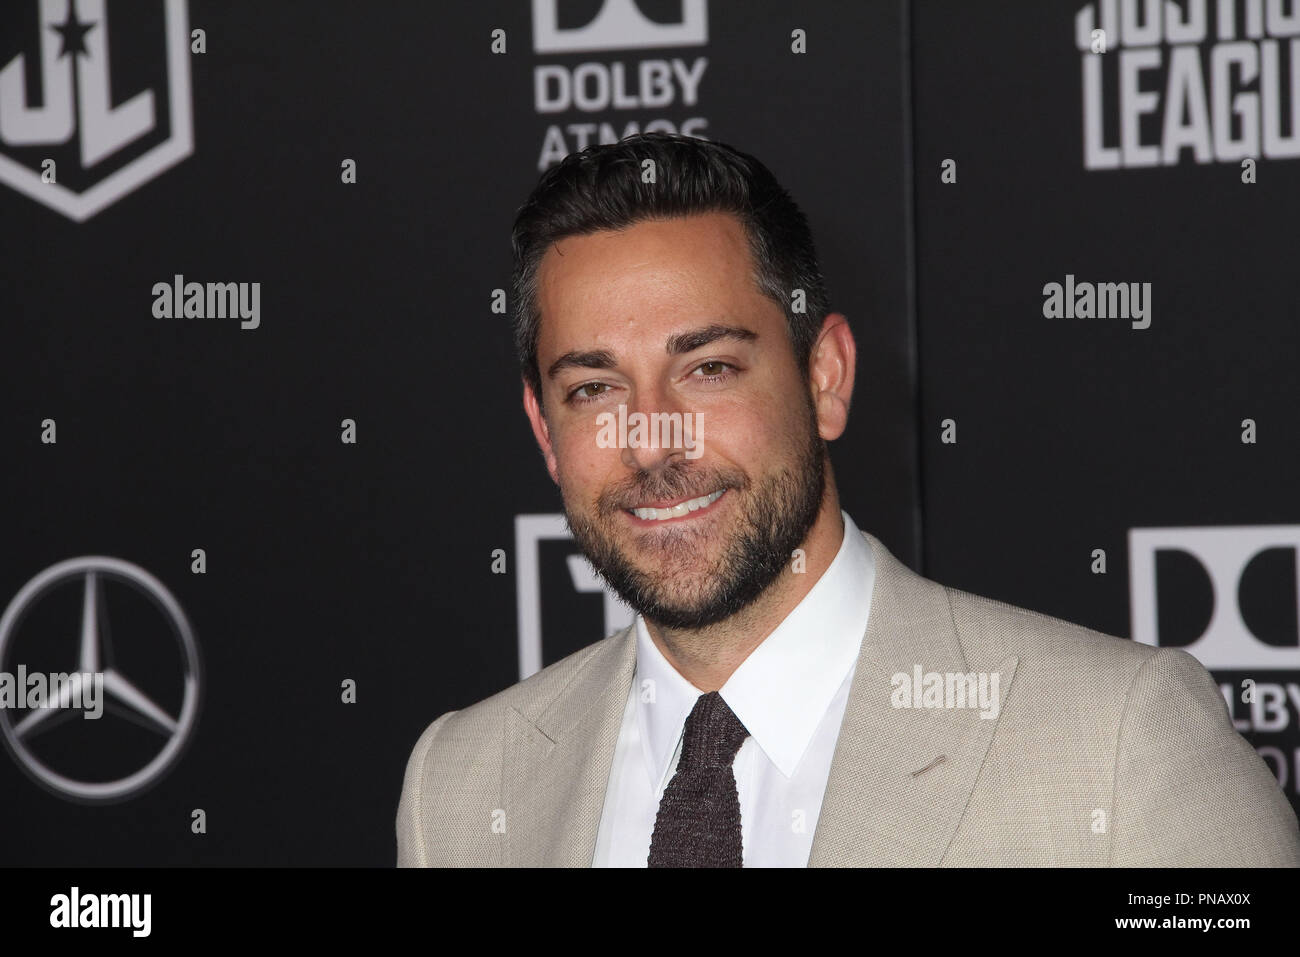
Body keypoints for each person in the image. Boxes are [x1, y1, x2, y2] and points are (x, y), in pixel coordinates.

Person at [396, 133, 1300, 867]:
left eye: (708, 369)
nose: (653, 440)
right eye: (594, 389)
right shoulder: (465, 790)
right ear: (544, 429)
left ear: (824, 379)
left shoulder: (1114, 747)